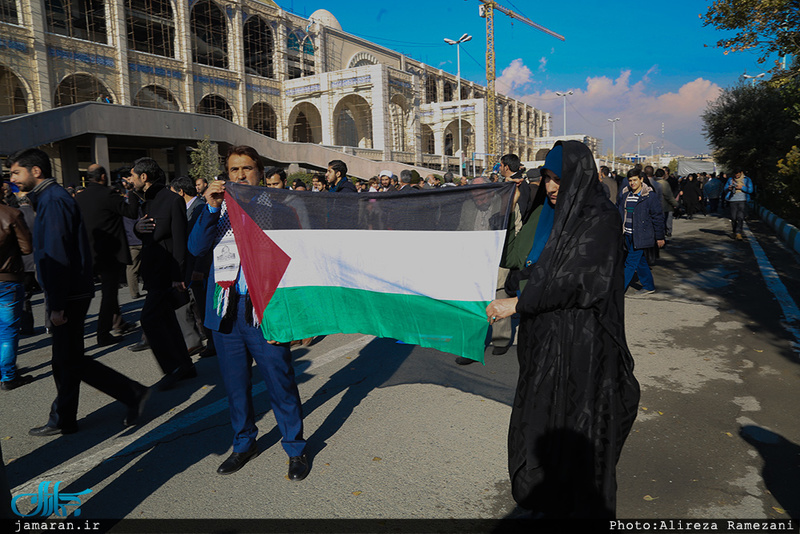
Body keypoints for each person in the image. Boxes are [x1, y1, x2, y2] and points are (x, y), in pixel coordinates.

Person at [484, 140, 640, 518]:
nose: (551, 188)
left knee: (577, 423)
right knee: (540, 420)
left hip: (582, 344)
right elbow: (536, 264)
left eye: (559, 179)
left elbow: (581, 281)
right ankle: (546, 498)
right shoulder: (554, 215)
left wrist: (517, 303)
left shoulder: (599, 218)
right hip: (544, 342)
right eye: (548, 178)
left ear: (579, 177)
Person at [7, 148, 149, 434]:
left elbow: (58, 253)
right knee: (65, 359)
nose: (12, 179)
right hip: (68, 290)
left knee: (68, 358)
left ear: (36, 171)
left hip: (69, 292)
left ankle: (130, 393)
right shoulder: (49, 198)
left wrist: (57, 303)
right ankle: (65, 417)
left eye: (15, 172)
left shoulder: (53, 199)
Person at [188, 145, 309, 480]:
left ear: (260, 171)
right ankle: (244, 443)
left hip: (264, 310)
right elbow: (196, 248)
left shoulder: (280, 210)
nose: (239, 176)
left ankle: (295, 447)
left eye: (246, 169)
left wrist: (299, 316)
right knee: (236, 386)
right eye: (233, 170)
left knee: (279, 380)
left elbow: (296, 265)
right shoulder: (217, 209)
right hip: (226, 310)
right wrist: (211, 209)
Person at [129, 157, 196, 390]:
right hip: (152, 272)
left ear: (144, 177)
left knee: (149, 319)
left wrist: (179, 275)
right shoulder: (144, 202)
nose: (130, 180)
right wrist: (138, 229)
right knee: (167, 320)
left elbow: (180, 239)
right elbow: (148, 235)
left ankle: (173, 367)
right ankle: (185, 366)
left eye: (133, 175)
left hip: (168, 274)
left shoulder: (172, 200)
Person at [74, 164, 139, 346]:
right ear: (102, 176)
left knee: (109, 290)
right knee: (109, 293)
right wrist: (131, 192)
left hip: (89, 253)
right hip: (110, 254)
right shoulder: (108, 194)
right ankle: (103, 334)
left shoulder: (79, 198)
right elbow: (131, 212)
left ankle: (118, 323)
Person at [0, 176, 33, 390]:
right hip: (8, 278)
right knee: (8, 330)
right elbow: (27, 247)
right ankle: (8, 376)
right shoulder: (11, 214)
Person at [619, 169, 665, 296]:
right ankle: (649, 286)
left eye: (635, 180)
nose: (632, 183)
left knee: (630, 262)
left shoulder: (649, 196)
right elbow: (620, 212)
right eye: (630, 180)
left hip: (641, 235)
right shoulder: (625, 194)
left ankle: (617, 291)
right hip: (627, 234)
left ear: (641, 180)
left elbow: (658, 217)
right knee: (640, 262)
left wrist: (660, 237)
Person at [725, 170, 754, 241]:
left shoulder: (747, 179)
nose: (736, 176)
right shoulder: (730, 179)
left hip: (742, 200)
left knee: (740, 217)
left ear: (741, 173)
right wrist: (729, 188)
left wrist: (741, 187)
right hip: (732, 200)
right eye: (735, 174)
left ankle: (739, 233)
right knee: (733, 217)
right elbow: (725, 188)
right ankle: (734, 231)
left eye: (738, 174)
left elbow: (750, 190)